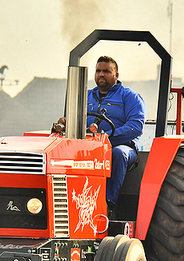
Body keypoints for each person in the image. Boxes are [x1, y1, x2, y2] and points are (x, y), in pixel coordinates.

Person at [57, 56, 146, 216]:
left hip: (120, 147)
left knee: (118, 153)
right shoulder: (84, 97)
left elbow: (135, 127)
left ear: (116, 75)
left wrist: (106, 137)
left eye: (106, 71)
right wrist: (66, 123)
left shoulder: (130, 97)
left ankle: (108, 205)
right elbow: (73, 124)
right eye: (98, 71)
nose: (101, 75)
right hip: (87, 147)